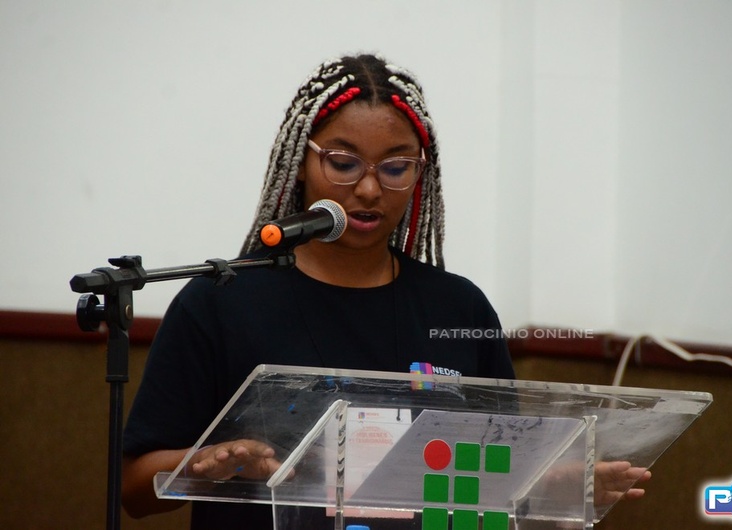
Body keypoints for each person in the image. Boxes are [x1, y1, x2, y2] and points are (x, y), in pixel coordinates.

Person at [121, 53, 648, 529]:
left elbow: (499, 475)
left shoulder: (459, 308)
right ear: (300, 162)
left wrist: (553, 485)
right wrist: (208, 463)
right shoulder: (219, 302)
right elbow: (133, 490)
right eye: (343, 163)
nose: (370, 188)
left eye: (396, 167)